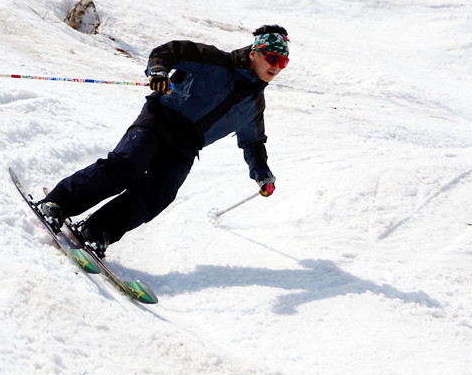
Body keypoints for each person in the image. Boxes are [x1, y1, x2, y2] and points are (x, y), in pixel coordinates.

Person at [37, 25, 290, 257]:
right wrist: (158, 71)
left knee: (160, 192)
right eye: (273, 58)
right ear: (255, 53)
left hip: (186, 146)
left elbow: (254, 143)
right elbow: (170, 51)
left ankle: (97, 231)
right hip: (159, 120)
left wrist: (262, 173)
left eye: (284, 62)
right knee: (127, 166)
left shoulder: (255, 105)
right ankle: (57, 204)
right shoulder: (215, 61)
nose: (277, 67)